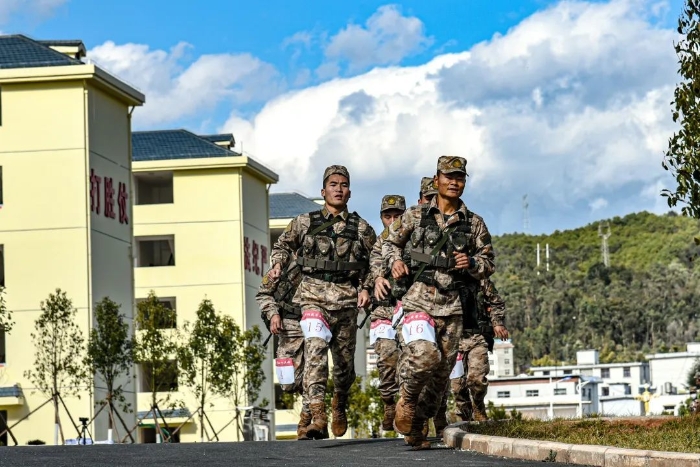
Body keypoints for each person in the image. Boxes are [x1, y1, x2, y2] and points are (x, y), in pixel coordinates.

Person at [381, 156, 495, 449]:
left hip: (454, 306)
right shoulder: (415, 215)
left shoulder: (473, 223)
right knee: (425, 356)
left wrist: (472, 262)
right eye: (449, 177)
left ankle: (417, 427)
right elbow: (390, 243)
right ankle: (407, 400)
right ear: (437, 179)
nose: (454, 182)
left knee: (441, 377)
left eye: (460, 177)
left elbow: (488, 262)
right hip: (419, 300)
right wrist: (394, 262)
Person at [269, 165, 376, 439]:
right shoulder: (305, 222)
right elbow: (282, 245)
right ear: (323, 190)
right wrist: (278, 264)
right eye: (333, 184)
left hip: (346, 302)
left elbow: (376, 263)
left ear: (349, 192)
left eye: (343, 184)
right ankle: (317, 414)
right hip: (312, 299)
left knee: (343, 367)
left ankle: (339, 402)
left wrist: (366, 288)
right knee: (315, 351)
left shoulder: (362, 229)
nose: (338, 189)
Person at [256, 258, 328, 440]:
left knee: (312, 373)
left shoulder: (320, 259)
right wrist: (273, 314)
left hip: (315, 322)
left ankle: (306, 423)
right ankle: (310, 419)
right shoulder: (282, 265)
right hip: (289, 326)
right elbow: (263, 294)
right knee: (288, 383)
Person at [433, 278, 509, 433]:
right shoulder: (443, 278)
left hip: (477, 337)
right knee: (457, 387)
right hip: (452, 339)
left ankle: (478, 407)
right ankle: (465, 420)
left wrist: (497, 323)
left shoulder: (480, 280)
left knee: (477, 379)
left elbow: (496, 301)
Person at [367, 194, 407, 431]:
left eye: (397, 216)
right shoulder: (378, 244)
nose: (392, 221)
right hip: (383, 309)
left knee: (411, 362)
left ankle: (407, 409)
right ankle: (389, 403)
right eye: (387, 216)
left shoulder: (413, 237)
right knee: (387, 360)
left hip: (409, 307)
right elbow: (373, 268)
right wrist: (375, 280)